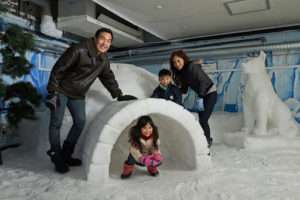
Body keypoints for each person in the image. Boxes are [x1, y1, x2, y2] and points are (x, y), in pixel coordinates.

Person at [46, 28, 137, 173]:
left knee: (80, 122)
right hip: (61, 90)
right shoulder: (78, 50)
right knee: (56, 122)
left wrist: (118, 94)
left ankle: (66, 154)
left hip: (77, 94)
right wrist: (52, 92)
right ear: (95, 39)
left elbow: (107, 77)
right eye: (102, 39)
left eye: (109, 41)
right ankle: (56, 155)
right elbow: (58, 69)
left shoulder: (103, 59)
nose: (105, 43)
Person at [169, 50, 217, 148]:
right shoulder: (182, 73)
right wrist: (172, 90)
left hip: (210, 93)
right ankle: (206, 139)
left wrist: (200, 95)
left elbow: (203, 81)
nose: (176, 64)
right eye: (174, 62)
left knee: (203, 119)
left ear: (183, 59)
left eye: (178, 61)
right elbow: (184, 90)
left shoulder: (191, 67)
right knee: (201, 119)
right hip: (201, 95)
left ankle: (207, 141)